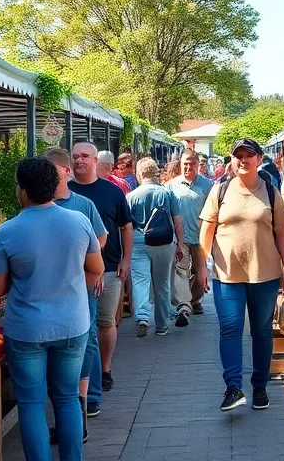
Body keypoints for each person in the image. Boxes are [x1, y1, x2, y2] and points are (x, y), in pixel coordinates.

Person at [0, 158, 103, 461]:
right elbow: (97, 267)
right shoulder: (78, 221)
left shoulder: (7, 231)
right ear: (54, 187)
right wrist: (74, 285)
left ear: (23, 190)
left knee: (31, 403)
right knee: (67, 399)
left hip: (26, 329)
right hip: (72, 325)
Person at [196, 137, 284, 412]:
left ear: (259, 159)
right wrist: (203, 264)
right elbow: (206, 230)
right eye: (238, 155)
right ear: (231, 159)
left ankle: (260, 386)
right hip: (227, 274)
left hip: (265, 274)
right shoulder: (220, 190)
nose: (243, 159)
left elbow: (282, 233)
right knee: (229, 328)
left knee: (262, 331)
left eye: (248, 155)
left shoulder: (270, 191)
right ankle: (233, 387)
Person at [45, 148, 109, 421]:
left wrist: (87, 265)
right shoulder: (36, 204)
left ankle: (88, 397)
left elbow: (101, 238)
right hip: (49, 286)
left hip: (83, 282)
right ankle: (68, 401)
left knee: (88, 336)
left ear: (64, 172)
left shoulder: (83, 205)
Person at [68, 143, 134, 401]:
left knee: (105, 322)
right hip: (75, 273)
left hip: (108, 268)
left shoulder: (111, 191)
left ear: (96, 160)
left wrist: (126, 259)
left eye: (85, 156)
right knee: (84, 327)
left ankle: (104, 370)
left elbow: (126, 227)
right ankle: (86, 380)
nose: (79, 161)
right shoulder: (65, 192)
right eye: (75, 157)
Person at [126, 158, 184, 338]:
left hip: (138, 242)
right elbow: (177, 220)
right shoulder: (167, 194)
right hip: (163, 242)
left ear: (140, 173)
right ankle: (162, 323)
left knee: (140, 282)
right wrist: (180, 243)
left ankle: (143, 318)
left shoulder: (131, 196)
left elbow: (126, 226)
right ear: (156, 173)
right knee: (162, 284)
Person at [169, 149, 214, 321]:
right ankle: (184, 305)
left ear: (198, 165)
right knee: (182, 271)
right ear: (180, 165)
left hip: (201, 237)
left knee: (199, 271)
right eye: (185, 164)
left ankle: (196, 301)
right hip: (181, 238)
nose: (188, 167)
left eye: (191, 164)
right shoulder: (172, 186)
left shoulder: (207, 185)